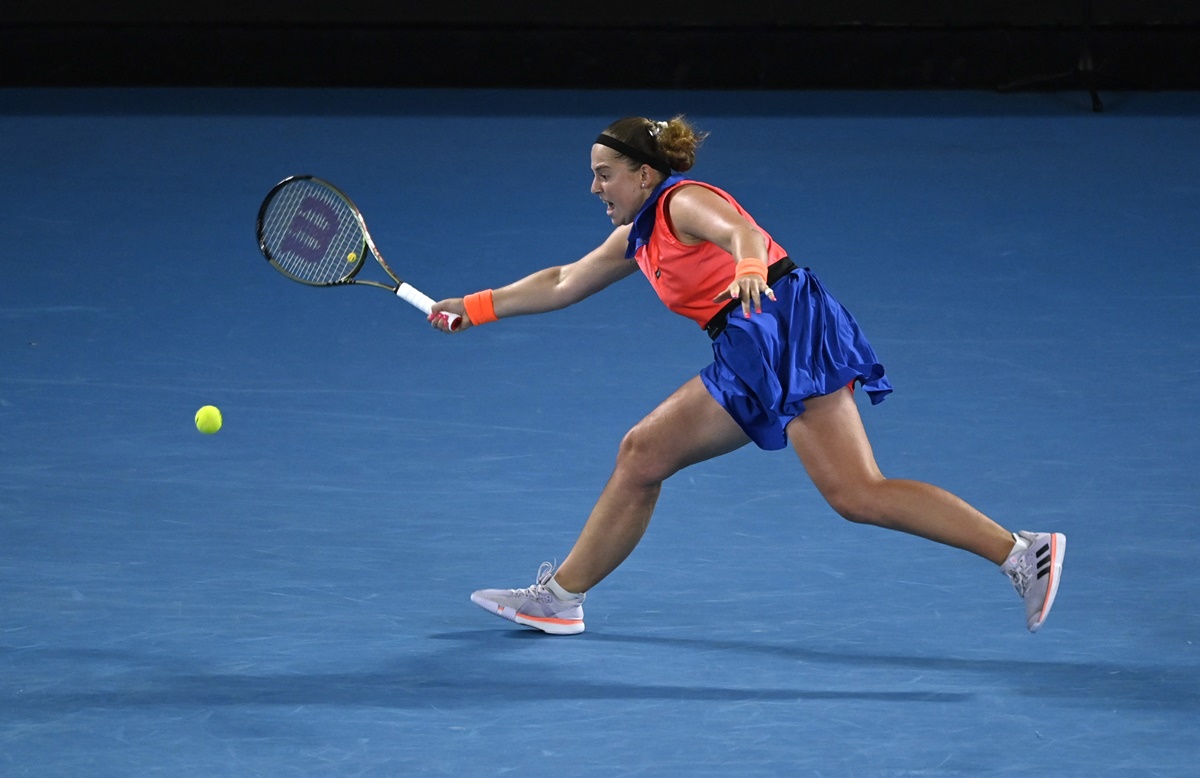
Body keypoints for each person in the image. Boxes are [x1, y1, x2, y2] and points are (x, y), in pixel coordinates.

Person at [429, 115, 1066, 636]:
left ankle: (1020, 552)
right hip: (749, 341)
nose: (595, 188)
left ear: (644, 173)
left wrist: (748, 264)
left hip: (778, 323)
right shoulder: (639, 235)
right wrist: (473, 308)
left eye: (604, 175)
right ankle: (560, 599)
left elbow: (737, 230)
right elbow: (563, 281)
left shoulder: (683, 201)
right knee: (646, 454)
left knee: (854, 492)